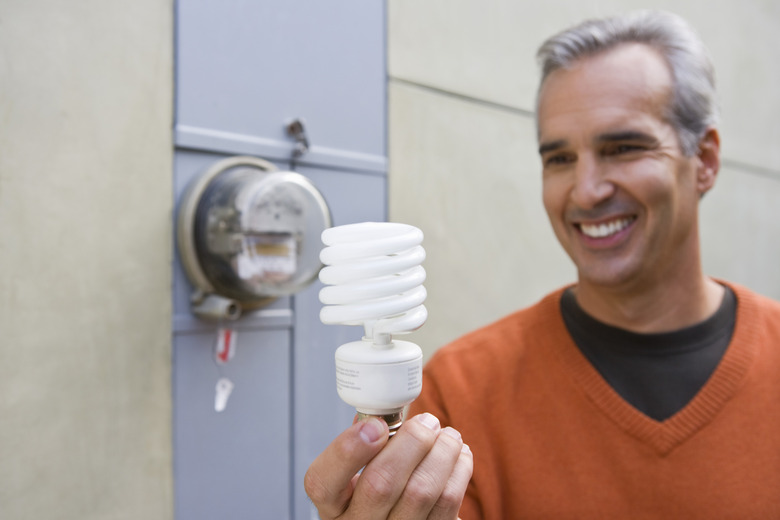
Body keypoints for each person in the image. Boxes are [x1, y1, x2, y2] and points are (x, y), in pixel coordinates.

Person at [304, 10, 780, 519]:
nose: (586, 191)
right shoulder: (458, 396)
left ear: (705, 160)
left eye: (623, 148)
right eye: (559, 159)